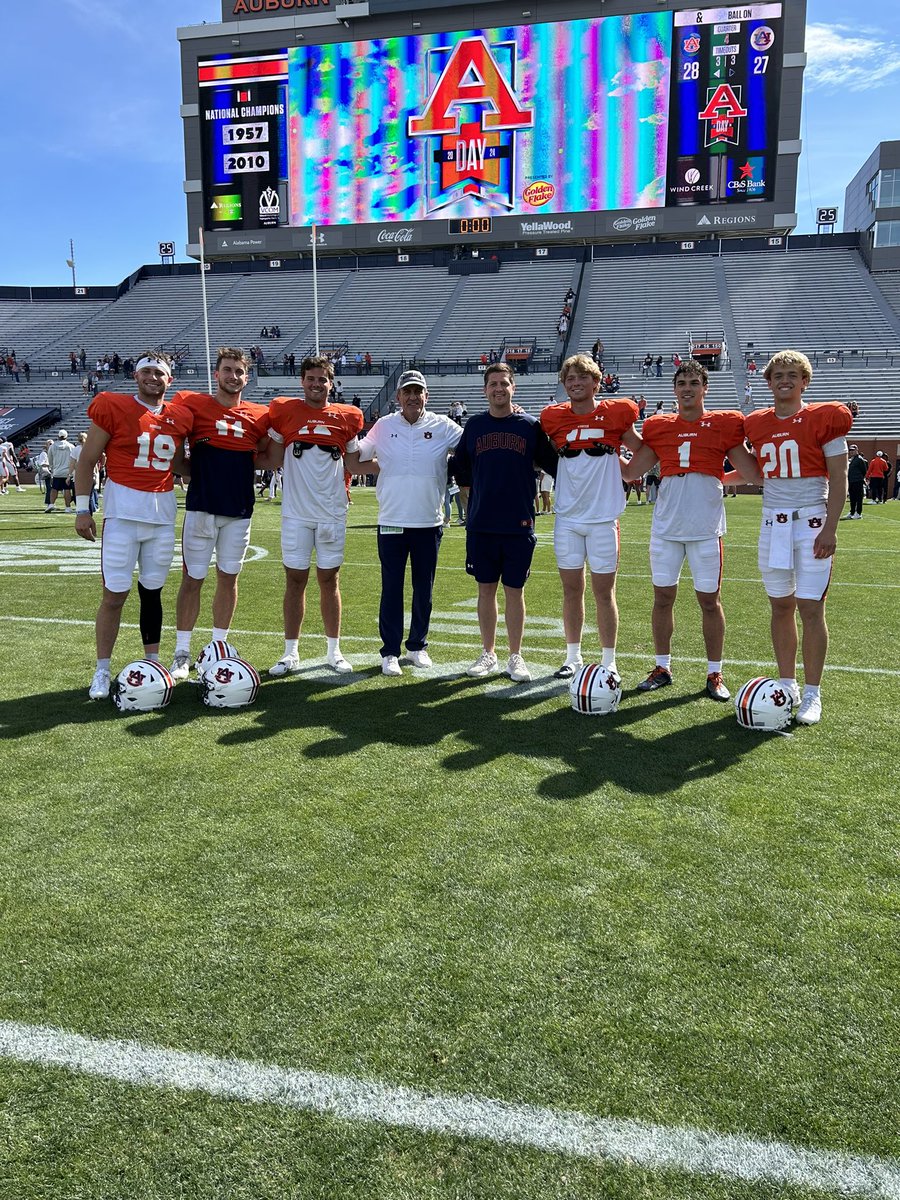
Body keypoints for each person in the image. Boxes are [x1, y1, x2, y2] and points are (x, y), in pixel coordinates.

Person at [622, 360, 759, 701]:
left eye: (693, 382)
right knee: (662, 598)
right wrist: (602, 444)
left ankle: (715, 672)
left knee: (709, 602)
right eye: (681, 382)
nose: (687, 388)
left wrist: (717, 478)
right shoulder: (659, 427)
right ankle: (662, 666)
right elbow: (631, 472)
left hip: (705, 528)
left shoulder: (724, 424)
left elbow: (752, 473)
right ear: (674, 390)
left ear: (705, 388)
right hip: (667, 528)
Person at [743, 350, 852, 726]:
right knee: (780, 606)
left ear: (805, 381)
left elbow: (838, 479)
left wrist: (831, 527)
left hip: (811, 522)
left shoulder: (824, 418)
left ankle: (812, 692)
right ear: (768, 381)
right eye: (778, 375)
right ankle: (787, 682)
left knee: (810, 608)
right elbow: (757, 472)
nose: (784, 380)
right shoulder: (756, 423)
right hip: (773, 523)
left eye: (792, 374)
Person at [74, 353, 192, 700]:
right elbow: (88, 461)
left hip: (160, 515)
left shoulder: (179, 416)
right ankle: (101, 670)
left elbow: (180, 465)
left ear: (169, 380)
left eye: (160, 373)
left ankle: (152, 663)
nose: (153, 377)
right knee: (114, 595)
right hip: (123, 513)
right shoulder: (112, 406)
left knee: (152, 593)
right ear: (135, 376)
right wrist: (83, 510)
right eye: (147, 372)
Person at [346, 370, 462, 676]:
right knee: (391, 588)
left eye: (418, 391)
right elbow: (357, 458)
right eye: (407, 392)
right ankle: (390, 652)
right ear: (398, 397)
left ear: (427, 395)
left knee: (424, 588)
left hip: (428, 521)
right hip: (391, 521)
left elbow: (473, 442)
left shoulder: (442, 425)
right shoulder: (384, 426)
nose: (413, 397)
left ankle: (417, 646)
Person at [165, 348, 272, 680]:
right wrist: (192, 471)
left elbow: (269, 456)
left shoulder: (260, 414)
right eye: (227, 370)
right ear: (216, 374)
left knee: (229, 578)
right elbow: (173, 450)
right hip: (201, 507)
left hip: (239, 510)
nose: (233, 376)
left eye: (239, 372)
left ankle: (217, 648)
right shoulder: (192, 404)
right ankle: (182, 652)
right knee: (192, 580)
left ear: (247, 377)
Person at [450, 363, 557, 682]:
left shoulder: (530, 426)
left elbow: (554, 464)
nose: (499, 389)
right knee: (485, 590)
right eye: (493, 383)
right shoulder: (475, 426)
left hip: (519, 523)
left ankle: (515, 655)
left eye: (504, 384)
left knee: (515, 591)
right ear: (485, 389)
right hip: (482, 523)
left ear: (514, 388)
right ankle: (488, 653)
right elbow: (461, 469)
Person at [259, 355, 363, 676]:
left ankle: (334, 650)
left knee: (329, 580)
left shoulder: (347, 418)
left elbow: (356, 464)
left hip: (332, 513)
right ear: (302, 381)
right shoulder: (285, 412)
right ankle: (291, 651)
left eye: (323, 379)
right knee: (295, 581)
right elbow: (271, 459)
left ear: (331, 383)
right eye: (312, 378)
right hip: (296, 514)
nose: (317, 384)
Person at [539, 353, 641, 679]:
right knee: (571, 590)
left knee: (604, 592)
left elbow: (641, 448)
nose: (575, 383)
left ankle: (609, 659)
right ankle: (573, 656)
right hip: (567, 518)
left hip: (602, 518)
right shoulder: (553, 418)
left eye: (582, 377)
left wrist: (626, 472)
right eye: (570, 379)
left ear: (596, 382)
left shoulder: (614, 415)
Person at [46, 430, 76, 513]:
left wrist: (52, 468)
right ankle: (68, 507)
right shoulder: (71, 446)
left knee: (54, 488)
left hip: (57, 471)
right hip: (67, 471)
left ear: (58, 436)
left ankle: (51, 504)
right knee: (67, 489)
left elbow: (50, 458)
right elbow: (73, 459)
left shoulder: (53, 446)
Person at [843, 444, 867, 519]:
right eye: (850, 450)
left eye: (853, 450)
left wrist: (860, 478)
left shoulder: (860, 459)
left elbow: (864, 471)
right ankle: (852, 512)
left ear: (857, 450)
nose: (851, 452)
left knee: (859, 498)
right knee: (852, 498)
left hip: (858, 481)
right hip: (851, 481)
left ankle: (858, 513)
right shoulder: (851, 459)